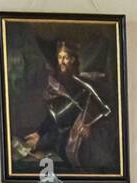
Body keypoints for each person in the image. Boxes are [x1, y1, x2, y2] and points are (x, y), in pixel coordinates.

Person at [13, 40, 113, 173]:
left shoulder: (83, 85)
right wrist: (39, 133)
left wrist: (91, 126)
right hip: (62, 135)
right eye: (60, 57)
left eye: (65, 57)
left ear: (73, 60)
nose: (62, 62)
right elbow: (55, 116)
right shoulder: (58, 84)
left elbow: (107, 112)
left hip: (81, 143)